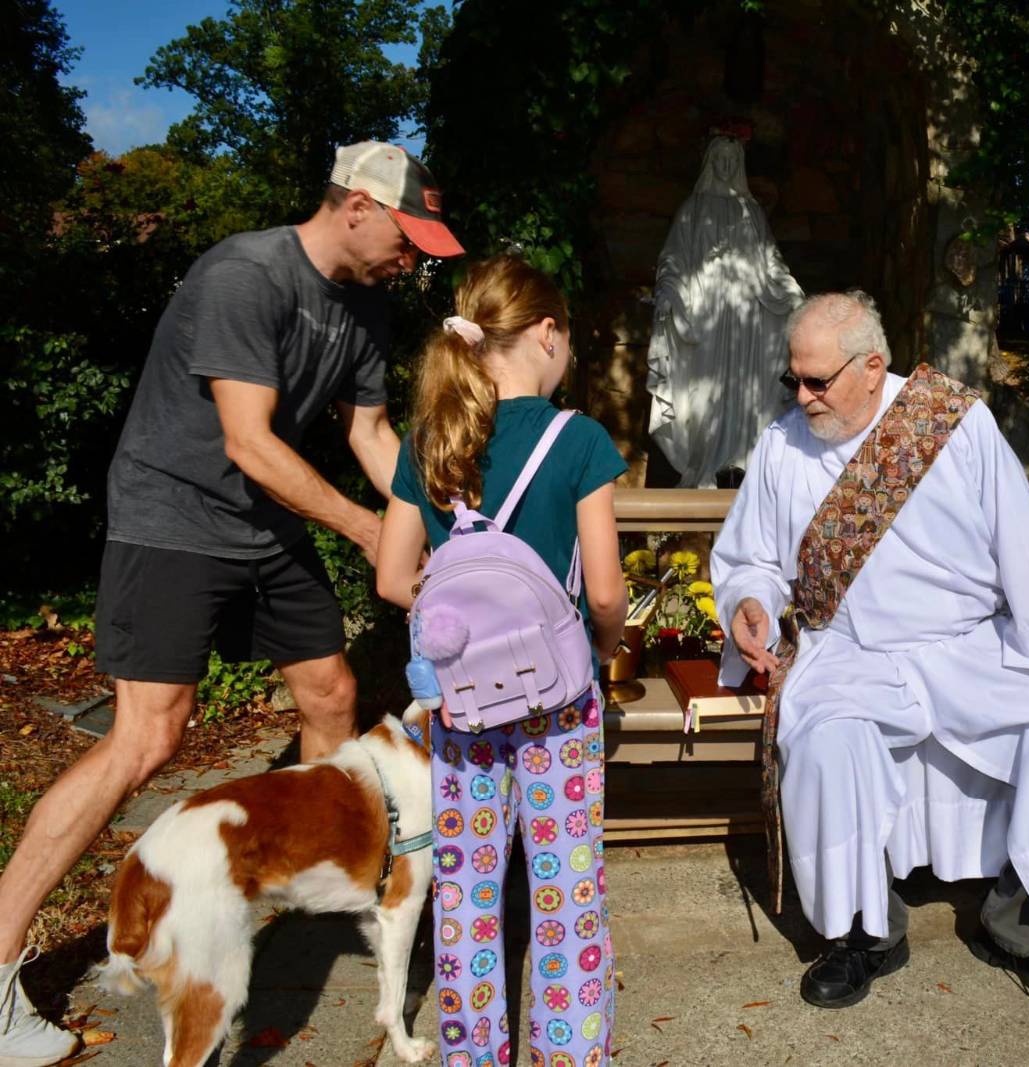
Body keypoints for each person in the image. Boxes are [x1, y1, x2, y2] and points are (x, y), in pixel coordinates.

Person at [0, 141, 464, 1066]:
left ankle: (289, 878)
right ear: (357, 207)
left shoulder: (366, 306)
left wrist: (436, 535)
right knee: (149, 735)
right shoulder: (244, 275)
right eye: (406, 236)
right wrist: (371, 533)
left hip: (264, 526)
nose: (411, 258)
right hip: (173, 514)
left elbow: (371, 433)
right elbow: (249, 443)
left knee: (330, 692)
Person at [710, 290, 1029, 1010]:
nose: (804, 397)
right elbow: (750, 557)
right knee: (822, 743)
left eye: (819, 380)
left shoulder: (952, 424)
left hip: (969, 646)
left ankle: (1021, 927)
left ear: (874, 366)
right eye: (795, 380)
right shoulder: (783, 444)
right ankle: (866, 934)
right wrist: (748, 603)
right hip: (851, 652)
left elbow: (1020, 543)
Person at [375, 255, 627, 1067]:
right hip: (556, 703)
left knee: (468, 895)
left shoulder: (433, 439)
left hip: (462, 706)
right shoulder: (579, 438)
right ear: (547, 334)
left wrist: (463, 623)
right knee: (566, 895)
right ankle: (570, 1054)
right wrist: (608, 643)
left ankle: (474, 1055)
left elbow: (389, 577)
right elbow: (607, 588)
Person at [646, 134, 805, 487]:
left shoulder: (751, 211)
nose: (727, 166)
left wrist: (792, 295)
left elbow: (771, 263)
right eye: (721, 159)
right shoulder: (693, 209)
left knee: (745, 388)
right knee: (708, 390)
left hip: (748, 318)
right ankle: (706, 459)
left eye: (734, 160)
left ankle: (745, 460)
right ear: (710, 162)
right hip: (706, 317)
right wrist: (670, 292)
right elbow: (673, 259)